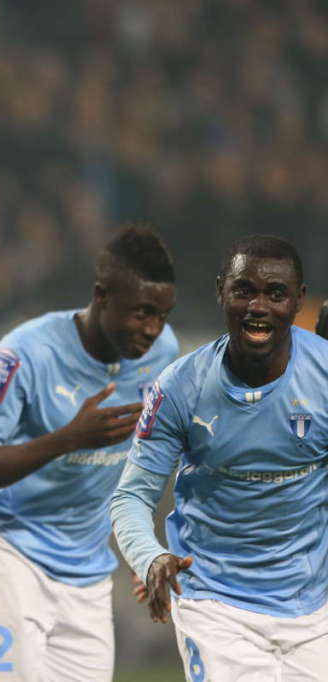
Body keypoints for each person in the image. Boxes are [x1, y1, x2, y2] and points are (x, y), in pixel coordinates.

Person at [0, 224, 178, 682]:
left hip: (88, 571)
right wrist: (67, 438)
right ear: (102, 295)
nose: (152, 330)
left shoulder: (162, 353)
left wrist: (146, 550)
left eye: (161, 315)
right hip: (6, 552)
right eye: (141, 313)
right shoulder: (27, 352)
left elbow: (161, 455)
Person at [112, 234, 328, 681]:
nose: (258, 306)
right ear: (221, 292)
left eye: (276, 294)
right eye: (244, 290)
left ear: (298, 300)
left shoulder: (323, 374)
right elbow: (131, 497)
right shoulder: (181, 387)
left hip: (315, 611)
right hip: (216, 606)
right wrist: (150, 557)